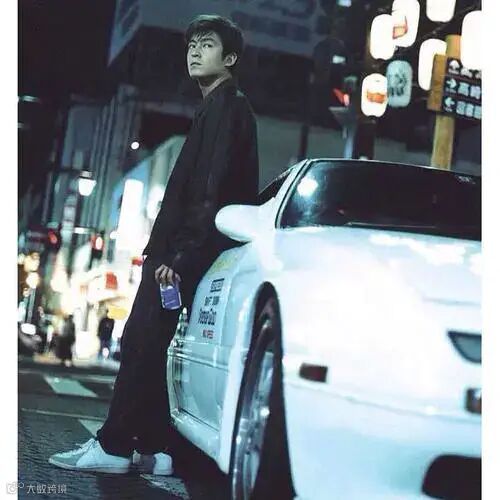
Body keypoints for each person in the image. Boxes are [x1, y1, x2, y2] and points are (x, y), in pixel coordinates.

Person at [49, 14, 259, 476]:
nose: (195, 51)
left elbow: (210, 189)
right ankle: (158, 450)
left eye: (207, 44)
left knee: (142, 342)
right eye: (192, 44)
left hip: (181, 256)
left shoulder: (228, 107)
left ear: (230, 58)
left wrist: (180, 256)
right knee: (148, 344)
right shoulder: (215, 107)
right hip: (178, 252)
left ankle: (114, 447)